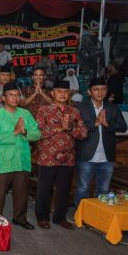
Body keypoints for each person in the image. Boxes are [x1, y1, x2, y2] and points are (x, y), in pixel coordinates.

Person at [34, 80, 87, 230]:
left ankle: (60, 217)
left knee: (64, 189)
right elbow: (38, 133)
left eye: (65, 92)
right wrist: (59, 129)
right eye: (59, 91)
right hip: (47, 158)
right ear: (53, 93)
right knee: (45, 189)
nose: (63, 94)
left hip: (68, 158)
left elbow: (83, 133)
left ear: (69, 93)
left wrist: (69, 128)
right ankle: (42, 217)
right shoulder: (44, 110)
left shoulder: (74, 111)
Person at [0, 82, 42, 229]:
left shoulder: (25, 114)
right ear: (3, 98)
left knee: (22, 193)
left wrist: (24, 132)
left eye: (17, 95)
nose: (15, 98)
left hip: (22, 160)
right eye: (11, 95)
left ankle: (20, 218)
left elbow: (37, 134)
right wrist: (15, 132)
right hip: (3, 162)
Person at [74, 77, 127, 206]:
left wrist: (108, 124)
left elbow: (123, 127)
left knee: (103, 190)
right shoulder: (81, 108)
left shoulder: (113, 108)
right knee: (82, 188)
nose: (100, 92)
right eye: (96, 89)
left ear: (107, 91)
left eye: (103, 89)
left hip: (107, 158)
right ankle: (82, 216)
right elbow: (75, 130)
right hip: (86, 156)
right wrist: (96, 123)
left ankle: (99, 218)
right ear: (89, 92)